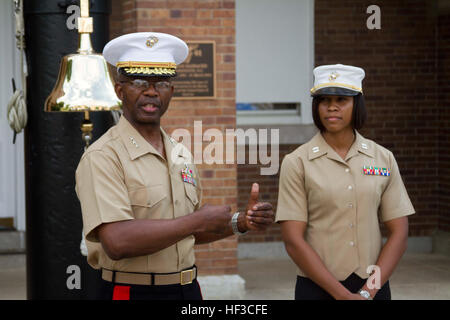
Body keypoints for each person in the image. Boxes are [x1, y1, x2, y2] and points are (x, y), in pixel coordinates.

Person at [75, 32, 274, 300]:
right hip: (131, 292)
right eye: (139, 81)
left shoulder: (179, 153)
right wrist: (197, 220)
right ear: (119, 89)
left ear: (172, 91)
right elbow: (117, 241)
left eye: (162, 83)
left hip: (187, 290)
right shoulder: (103, 156)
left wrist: (240, 222)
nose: (151, 91)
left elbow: (187, 231)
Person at [276, 64, 415, 300]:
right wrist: (342, 296)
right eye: (323, 100)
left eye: (342, 99)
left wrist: (368, 291)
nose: (332, 106)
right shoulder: (297, 162)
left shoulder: (383, 158)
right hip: (316, 289)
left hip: (373, 289)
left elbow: (399, 232)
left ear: (357, 104)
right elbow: (292, 240)